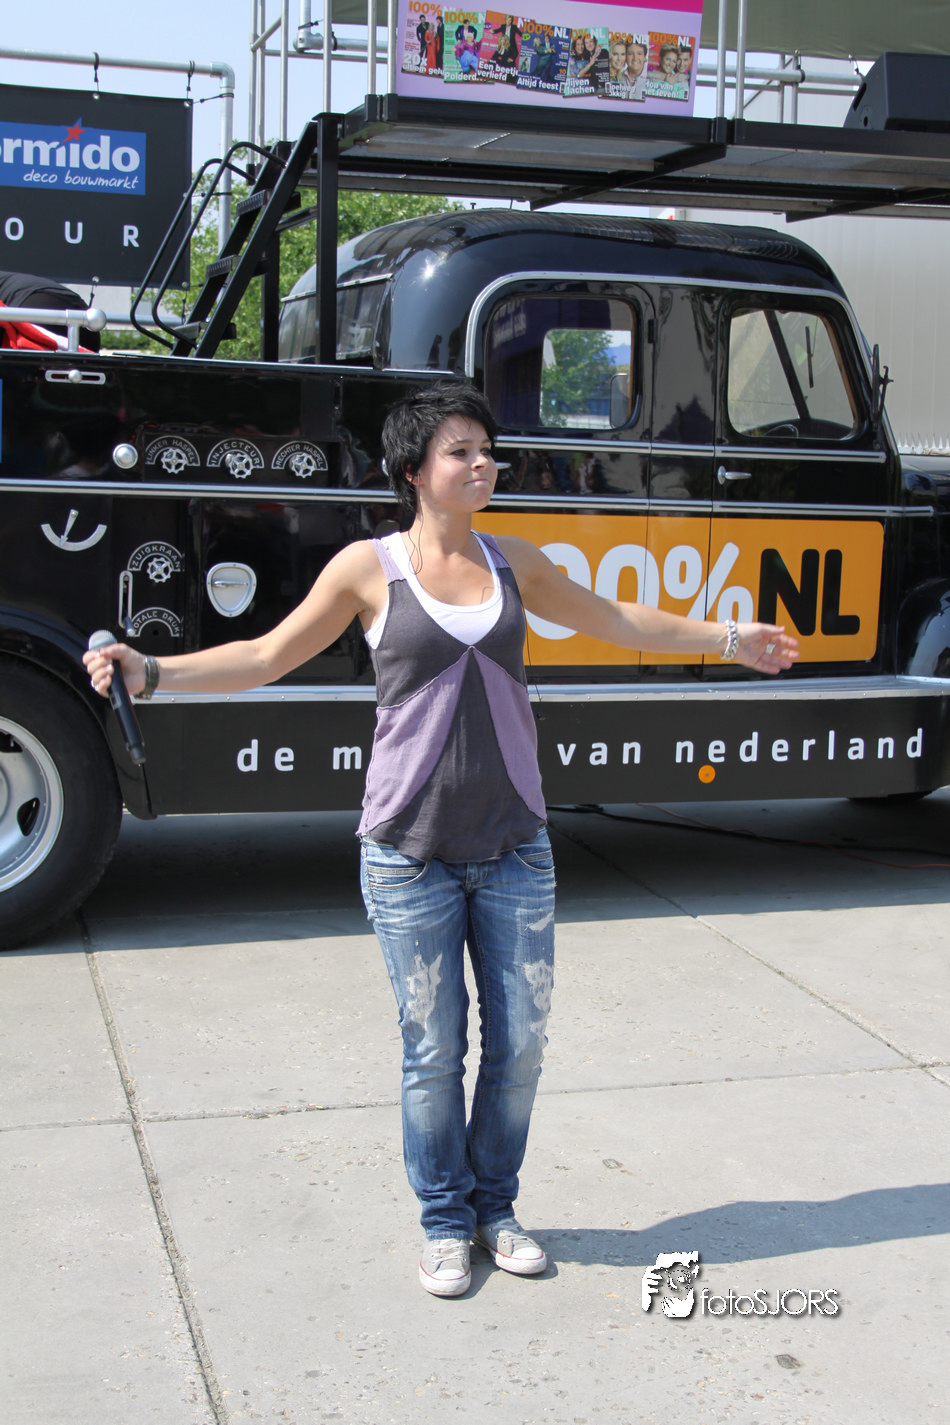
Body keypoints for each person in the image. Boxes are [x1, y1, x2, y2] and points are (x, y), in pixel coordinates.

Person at [84, 381, 798, 1299]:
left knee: (520, 1047)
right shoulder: (367, 568)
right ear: (413, 470)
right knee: (432, 1052)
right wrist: (152, 670)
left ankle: (497, 1208)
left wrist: (730, 637)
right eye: (460, 450)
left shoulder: (515, 561)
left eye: (486, 449)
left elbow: (615, 619)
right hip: (406, 852)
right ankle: (445, 1222)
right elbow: (265, 655)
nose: (482, 463)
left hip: (515, 847)